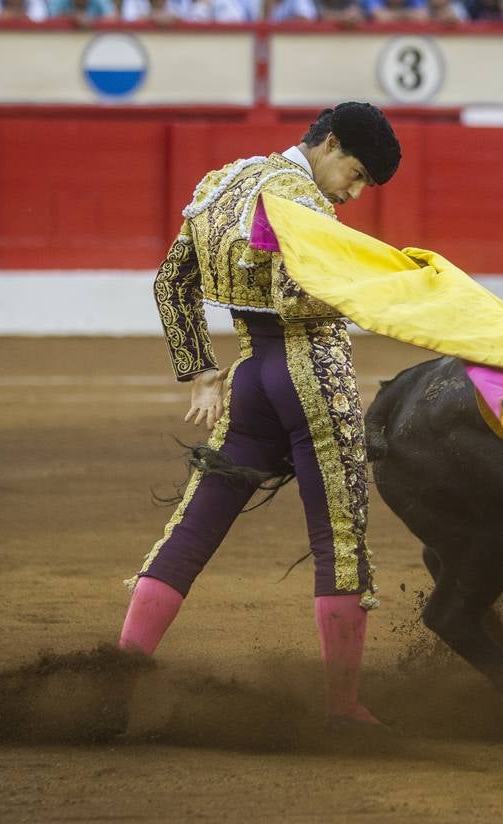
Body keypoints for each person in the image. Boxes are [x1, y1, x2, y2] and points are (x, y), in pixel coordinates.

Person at [121, 102, 401, 729]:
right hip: (313, 377)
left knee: (191, 530)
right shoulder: (302, 203)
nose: (354, 193)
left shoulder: (223, 183)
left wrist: (198, 370)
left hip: (250, 380)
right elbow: (298, 297)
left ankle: (118, 674)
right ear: (328, 145)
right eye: (355, 175)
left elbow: (172, 281)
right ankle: (342, 707)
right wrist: (381, 282)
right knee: (340, 540)